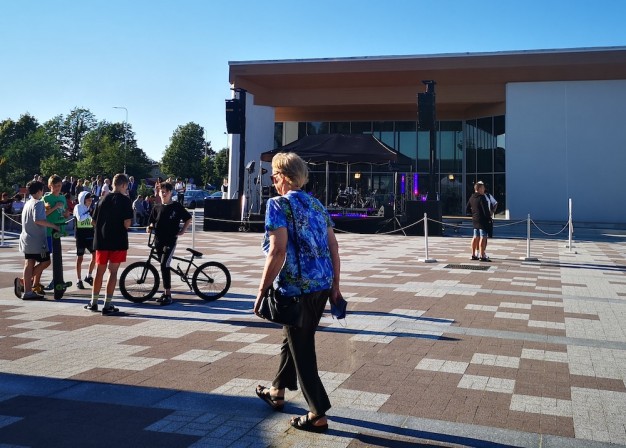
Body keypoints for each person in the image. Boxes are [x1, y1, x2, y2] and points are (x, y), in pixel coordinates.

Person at [253, 152, 342, 433]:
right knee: (291, 337)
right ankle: (277, 391)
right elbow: (333, 246)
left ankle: (317, 413)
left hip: (296, 288)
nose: (272, 181)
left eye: (273, 176)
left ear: (283, 176)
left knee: (302, 347)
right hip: (321, 285)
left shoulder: (277, 204)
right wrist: (336, 286)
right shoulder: (316, 204)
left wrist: (261, 290)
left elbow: (278, 250)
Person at [84, 173, 133, 315]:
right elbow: (127, 223)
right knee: (113, 272)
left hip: (101, 240)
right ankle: (107, 304)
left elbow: (93, 221)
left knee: (99, 272)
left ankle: (93, 302)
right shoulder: (125, 201)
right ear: (123, 185)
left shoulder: (102, 199)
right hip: (118, 241)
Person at [147, 182, 192, 306]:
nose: (163, 194)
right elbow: (151, 221)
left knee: (164, 265)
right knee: (163, 265)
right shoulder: (157, 207)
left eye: (166, 191)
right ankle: (165, 293)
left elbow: (188, 218)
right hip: (158, 240)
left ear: (171, 193)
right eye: (161, 191)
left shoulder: (176, 206)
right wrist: (149, 227)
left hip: (170, 240)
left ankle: (168, 294)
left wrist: (182, 231)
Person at [15, 181, 59, 300]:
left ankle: (27, 290)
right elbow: (38, 220)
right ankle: (24, 282)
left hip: (26, 238)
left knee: (29, 263)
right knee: (46, 262)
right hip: (36, 240)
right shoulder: (38, 203)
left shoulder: (27, 203)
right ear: (39, 191)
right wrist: (53, 226)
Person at [43, 175, 71, 291]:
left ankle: (56, 279)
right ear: (50, 186)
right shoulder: (47, 198)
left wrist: (66, 214)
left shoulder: (62, 198)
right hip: (49, 231)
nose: (58, 188)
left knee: (57, 257)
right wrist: (55, 207)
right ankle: (35, 280)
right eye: (55, 186)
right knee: (46, 259)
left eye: (59, 186)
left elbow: (64, 212)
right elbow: (44, 214)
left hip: (60, 229)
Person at [73, 191, 96, 289]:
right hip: (81, 235)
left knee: (95, 255)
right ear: (83, 199)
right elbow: (80, 218)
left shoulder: (91, 208)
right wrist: (89, 213)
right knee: (80, 258)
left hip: (90, 234)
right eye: (88, 199)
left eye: (91, 199)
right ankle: (78, 280)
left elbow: (94, 220)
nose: (90, 201)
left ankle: (89, 276)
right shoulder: (78, 207)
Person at [466, 180, 492, 262]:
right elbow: (485, 210)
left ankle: (473, 254)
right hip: (482, 220)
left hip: (475, 219)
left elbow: (467, 209)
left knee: (475, 237)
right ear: (479, 189)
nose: (484, 190)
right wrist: (489, 218)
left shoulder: (472, 197)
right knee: (483, 237)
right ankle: (482, 255)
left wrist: (474, 213)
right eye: (483, 188)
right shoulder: (482, 197)